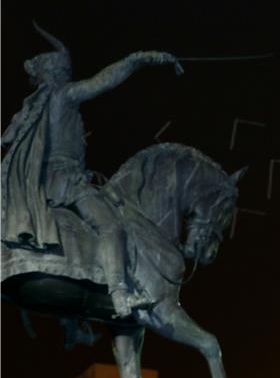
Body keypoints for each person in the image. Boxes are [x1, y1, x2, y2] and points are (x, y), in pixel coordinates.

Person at [1, 22, 183, 317]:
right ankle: (121, 296)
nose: (69, 77)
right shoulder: (63, 96)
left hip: (43, 183)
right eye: (65, 72)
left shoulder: (33, 107)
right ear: (58, 75)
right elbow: (105, 80)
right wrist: (140, 58)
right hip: (68, 182)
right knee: (112, 226)